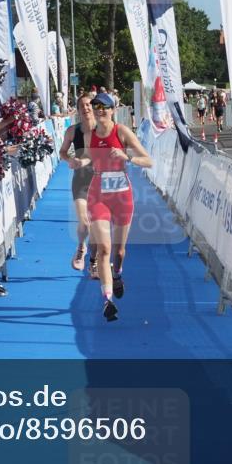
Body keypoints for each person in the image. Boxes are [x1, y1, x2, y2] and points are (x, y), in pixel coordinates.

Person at [76, 92, 153, 322]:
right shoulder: (90, 135)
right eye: (96, 107)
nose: (99, 111)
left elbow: (148, 160)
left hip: (121, 197)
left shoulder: (121, 131)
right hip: (98, 195)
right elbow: (91, 158)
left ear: (112, 110)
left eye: (104, 108)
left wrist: (126, 155)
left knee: (119, 252)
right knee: (104, 250)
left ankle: (118, 274)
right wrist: (80, 161)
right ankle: (107, 300)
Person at [59, 94, 97, 274]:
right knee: (84, 221)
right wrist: (70, 159)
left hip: (101, 180)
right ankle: (81, 248)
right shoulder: (73, 131)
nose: (86, 108)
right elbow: (62, 152)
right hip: (81, 179)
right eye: (82, 105)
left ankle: (94, 261)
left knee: (98, 225)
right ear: (78, 109)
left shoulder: (104, 129)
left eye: (89, 104)